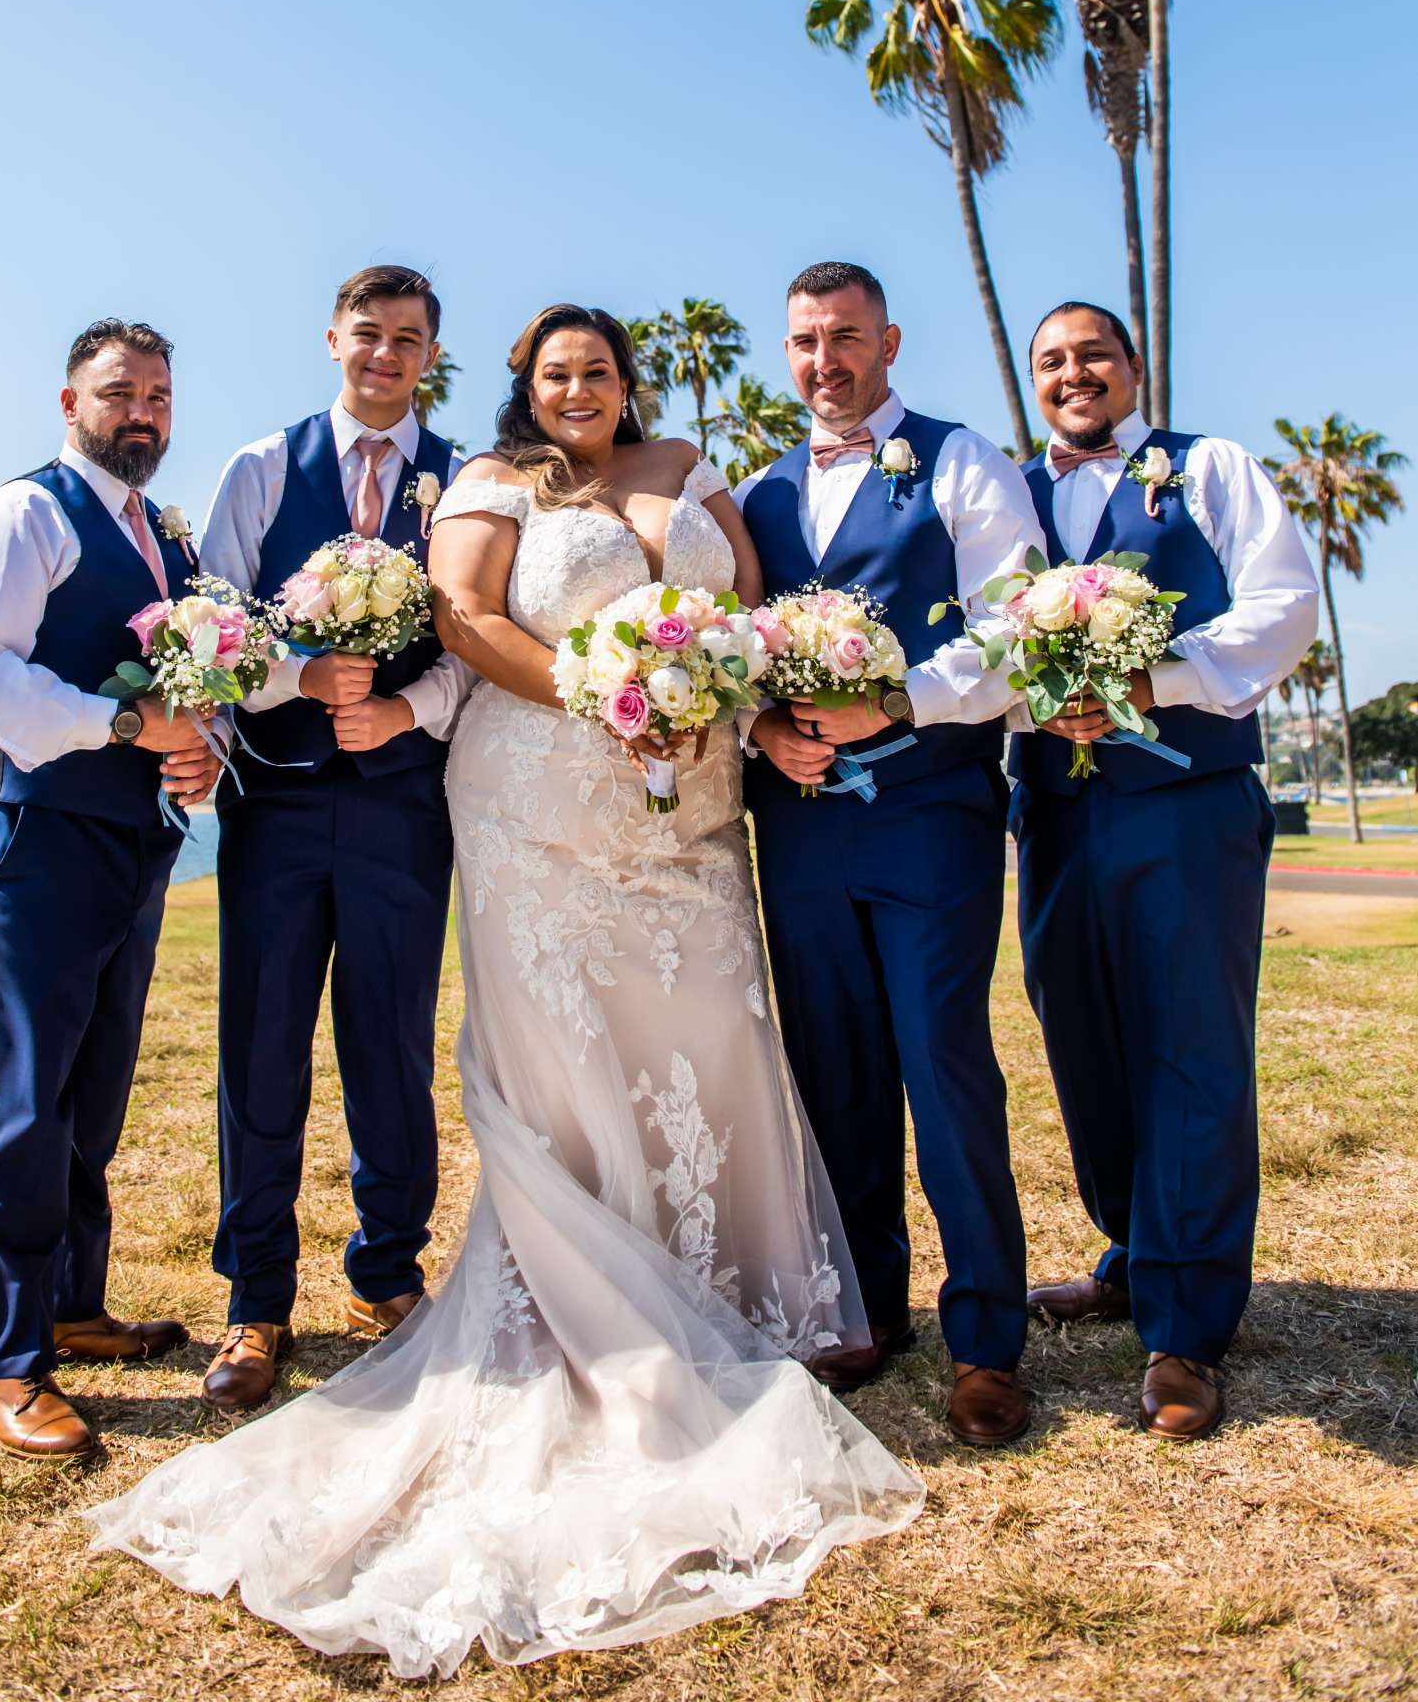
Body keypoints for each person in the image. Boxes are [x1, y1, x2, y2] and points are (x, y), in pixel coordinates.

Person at [87, 303, 923, 1675]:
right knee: (561, 1058)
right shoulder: (486, 485)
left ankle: (739, 1286)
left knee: (707, 1039)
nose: (579, 387)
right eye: (555, 373)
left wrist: (738, 701)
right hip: (543, 800)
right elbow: (466, 617)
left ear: (625, 382)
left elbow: (754, 614)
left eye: (597, 369)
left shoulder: (694, 471)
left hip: (695, 812)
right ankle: (531, 1297)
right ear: (525, 392)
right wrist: (612, 691)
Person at [737, 261, 1044, 1448]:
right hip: (801, 830)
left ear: (889, 341)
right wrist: (765, 729)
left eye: (847, 338)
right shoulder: (759, 492)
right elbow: (732, 661)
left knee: (943, 1066)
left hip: (930, 821)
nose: (828, 363)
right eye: (807, 342)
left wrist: (901, 702)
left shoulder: (961, 462)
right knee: (834, 1073)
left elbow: (1014, 629)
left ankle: (986, 1340)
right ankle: (863, 1309)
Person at [1010, 301, 1317, 1439]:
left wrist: (1157, 679)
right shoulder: (1006, 493)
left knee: (1188, 1044)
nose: (1072, 373)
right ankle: (1134, 1254)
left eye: (1093, 353)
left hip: (1186, 803)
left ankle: (1184, 1325)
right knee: (1079, 1035)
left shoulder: (1209, 469)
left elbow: (1281, 606)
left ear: (1132, 369)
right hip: (1051, 808)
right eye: (1051, 360)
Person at [0, 319, 224, 1459]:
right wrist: (123, 722)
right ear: (69, 403)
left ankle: (71, 1302)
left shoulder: (164, 537)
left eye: (157, 393)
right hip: (36, 832)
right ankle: (8, 1361)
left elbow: (195, 683)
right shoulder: (24, 515)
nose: (141, 411)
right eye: (118, 393)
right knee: (27, 1091)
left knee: (94, 1088)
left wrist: (198, 744)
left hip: (135, 837)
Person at [194, 267, 472, 1410]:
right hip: (274, 802)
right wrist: (296, 675)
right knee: (261, 1044)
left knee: (391, 1043)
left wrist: (406, 709)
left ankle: (385, 1274)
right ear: (332, 340)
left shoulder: (462, 482)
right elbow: (209, 631)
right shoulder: (260, 469)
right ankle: (255, 1299)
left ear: (428, 355)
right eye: (368, 335)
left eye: (407, 340)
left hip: (406, 803)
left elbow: (476, 645)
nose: (384, 357)